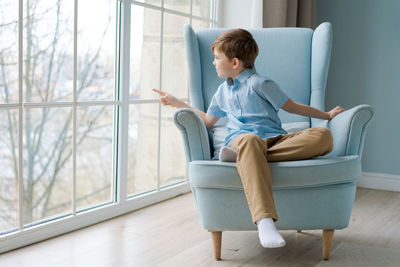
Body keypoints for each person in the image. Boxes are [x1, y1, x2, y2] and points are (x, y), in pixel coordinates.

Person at [153, 28, 345, 249]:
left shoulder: (261, 84)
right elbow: (207, 121)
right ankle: (264, 220)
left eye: (217, 58)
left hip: (276, 140)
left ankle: (243, 158)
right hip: (242, 139)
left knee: (323, 136)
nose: (214, 63)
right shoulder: (221, 93)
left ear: (235, 63)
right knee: (250, 141)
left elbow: (292, 107)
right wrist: (178, 103)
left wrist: (327, 115)